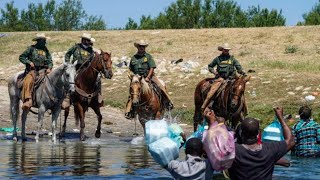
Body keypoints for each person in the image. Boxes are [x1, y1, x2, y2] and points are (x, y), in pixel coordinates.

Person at [228, 107, 295, 180]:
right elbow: (291, 141)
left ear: (241, 133)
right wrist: (280, 118)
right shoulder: (270, 150)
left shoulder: (232, 151)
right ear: (258, 133)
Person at [124, 40, 174, 119]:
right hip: (137, 77)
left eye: (143, 46)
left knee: (160, 85)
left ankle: (168, 102)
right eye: (140, 46)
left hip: (149, 76)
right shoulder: (133, 58)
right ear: (137, 47)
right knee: (133, 91)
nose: (141, 48)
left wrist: (147, 77)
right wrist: (131, 75)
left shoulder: (148, 56)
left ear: (145, 47)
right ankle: (129, 111)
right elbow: (130, 69)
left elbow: (152, 67)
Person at [201, 43, 246, 111]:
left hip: (232, 78)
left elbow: (238, 67)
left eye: (228, 50)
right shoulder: (217, 59)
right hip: (221, 78)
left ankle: (243, 109)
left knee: (239, 90)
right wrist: (214, 72)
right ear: (222, 50)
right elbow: (210, 66)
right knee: (214, 89)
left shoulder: (232, 59)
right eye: (225, 50)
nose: (226, 51)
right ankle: (208, 103)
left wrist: (242, 72)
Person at [62, 33, 103, 108]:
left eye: (89, 41)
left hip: (87, 69)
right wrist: (68, 64)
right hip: (76, 67)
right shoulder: (76, 47)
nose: (88, 42)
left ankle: (98, 94)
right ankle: (67, 96)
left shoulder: (91, 50)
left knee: (98, 77)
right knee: (70, 78)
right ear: (83, 40)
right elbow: (67, 54)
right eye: (87, 40)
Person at [19, 33, 53, 110]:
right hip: (32, 70)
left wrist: (50, 67)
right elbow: (21, 57)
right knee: (29, 80)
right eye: (43, 40)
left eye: (45, 40)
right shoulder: (31, 48)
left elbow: (50, 60)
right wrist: (29, 62)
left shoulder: (46, 50)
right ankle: (28, 99)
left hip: (43, 70)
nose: (45, 42)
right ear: (39, 41)